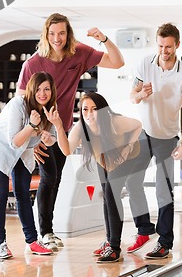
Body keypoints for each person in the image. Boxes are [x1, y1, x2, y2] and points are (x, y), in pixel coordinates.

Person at [17, 13, 125, 251]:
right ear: (46, 35)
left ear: (68, 34)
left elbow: (117, 62)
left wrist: (104, 39)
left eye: (62, 33)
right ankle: (44, 232)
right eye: (52, 33)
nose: (57, 38)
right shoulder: (33, 64)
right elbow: (20, 102)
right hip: (40, 131)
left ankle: (48, 231)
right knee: (49, 177)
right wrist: (30, 137)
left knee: (56, 179)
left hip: (62, 128)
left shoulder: (79, 53)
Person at [126, 22, 182, 259]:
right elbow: (132, 96)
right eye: (160, 45)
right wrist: (140, 94)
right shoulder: (145, 63)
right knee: (132, 182)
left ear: (177, 45)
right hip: (146, 133)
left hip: (167, 139)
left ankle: (165, 242)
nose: (164, 51)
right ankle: (144, 229)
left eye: (168, 46)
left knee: (163, 192)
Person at [45, 92, 142, 263]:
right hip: (105, 158)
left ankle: (114, 247)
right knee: (107, 195)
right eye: (85, 109)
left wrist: (127, 148)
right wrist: (59, 127)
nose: (89, 114)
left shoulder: (114, 122)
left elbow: (138, 125)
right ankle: (109, 240)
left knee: (112, 193)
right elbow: (66, 150)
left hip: (128, 156)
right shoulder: (81, 127)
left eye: (94, 109)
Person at [0, 72, 56, 259]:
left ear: (52, 90)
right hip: (0, 147)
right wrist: (31, 125)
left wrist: (48, 138)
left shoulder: (51, 109)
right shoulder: (18, 104)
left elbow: (52, 138)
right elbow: (14, 142)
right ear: (31, 89)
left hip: (24, 150)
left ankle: (32, 241)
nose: (42, 93)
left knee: (23, 193)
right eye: (38, 89)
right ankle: (0, 244)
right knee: (1, 193)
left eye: (46, 89)